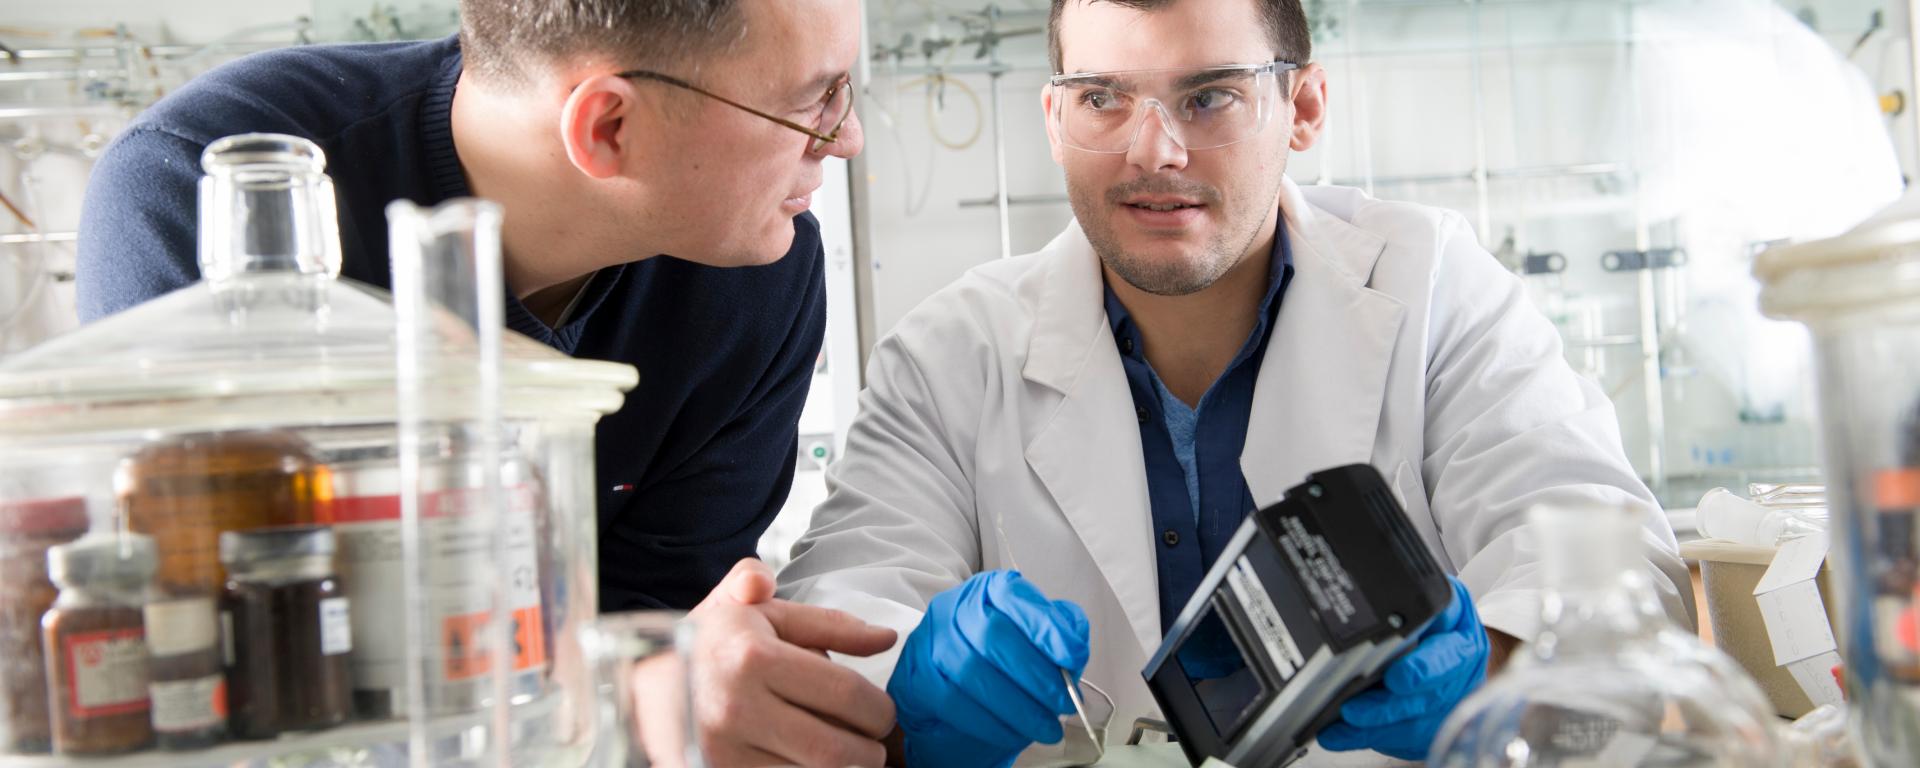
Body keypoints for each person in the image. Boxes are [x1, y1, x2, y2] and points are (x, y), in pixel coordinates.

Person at [777, 0, 1693, 765]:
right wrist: (908, 683)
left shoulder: (1434, 287)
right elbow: (836, 614)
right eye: (1103, 98)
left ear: (1303, 106)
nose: (1154, 153)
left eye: (1209, 97)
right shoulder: (948, 352)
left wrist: (1485, 670)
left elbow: (1611, 583)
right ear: (1055, 122)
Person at [75, 2, 897, 765]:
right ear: (609, 124)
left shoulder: (759, 275)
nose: (848, 136)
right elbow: (221, 654)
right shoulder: (206, 194)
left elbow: (665, 612)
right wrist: (620, 687)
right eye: (814, 102)